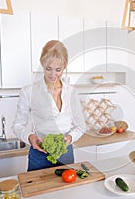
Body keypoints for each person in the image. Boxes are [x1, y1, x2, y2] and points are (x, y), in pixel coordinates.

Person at [12, 40, 86, 171]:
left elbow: (80, 126)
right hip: (39, 155)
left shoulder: (71, 92)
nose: (53, 75)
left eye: (58, 70)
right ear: (42, 64)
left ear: (64, 67)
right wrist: (30, 137)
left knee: (67, 191)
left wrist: (70, 138)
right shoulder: (28, 92)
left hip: (65, 154)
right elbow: (17, 125)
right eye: (48, 69)